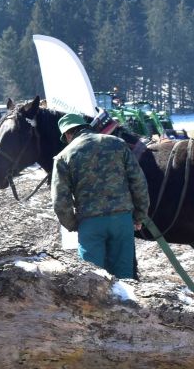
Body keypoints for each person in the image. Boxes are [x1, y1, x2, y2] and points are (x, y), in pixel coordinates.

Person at [51, 113, 150, 280]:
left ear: (67, 134)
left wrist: (73, 224)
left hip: (90, 223)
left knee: (93, 278)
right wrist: (139, 216)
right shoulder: (117, 143)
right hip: (122, 220)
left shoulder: (63, 157)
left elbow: (60, 200)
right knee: (125, 279)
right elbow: (138, 182)